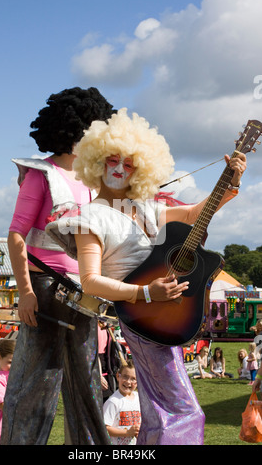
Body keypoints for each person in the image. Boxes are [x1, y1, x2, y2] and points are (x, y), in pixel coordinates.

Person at [45, 107, 246, 445]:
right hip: (141, 317)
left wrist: (231, 181)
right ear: (95, 163)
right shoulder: (89, 218)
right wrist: (147, 293)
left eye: (130, 163)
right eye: (112, 160)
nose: (120, 169)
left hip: (164, 316)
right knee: (182, 411)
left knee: (161, 410)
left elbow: (198, 213)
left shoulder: (147, 209)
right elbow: (91, 281)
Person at [1, 87, 116, 445]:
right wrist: (24, 293)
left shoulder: (93, 181)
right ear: (75, 131)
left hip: (83, 292)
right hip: (45, 292)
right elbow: (16, 235)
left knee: (88, 388)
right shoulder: (42, 173)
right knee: (36, 387)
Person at [103, 360, 141, 445]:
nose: (128, 382)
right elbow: (105, 428)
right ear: (117, 376)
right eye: (125, 377)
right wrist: (127, 433)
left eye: (133, 379)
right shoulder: (113, 402)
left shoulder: (139, 398)